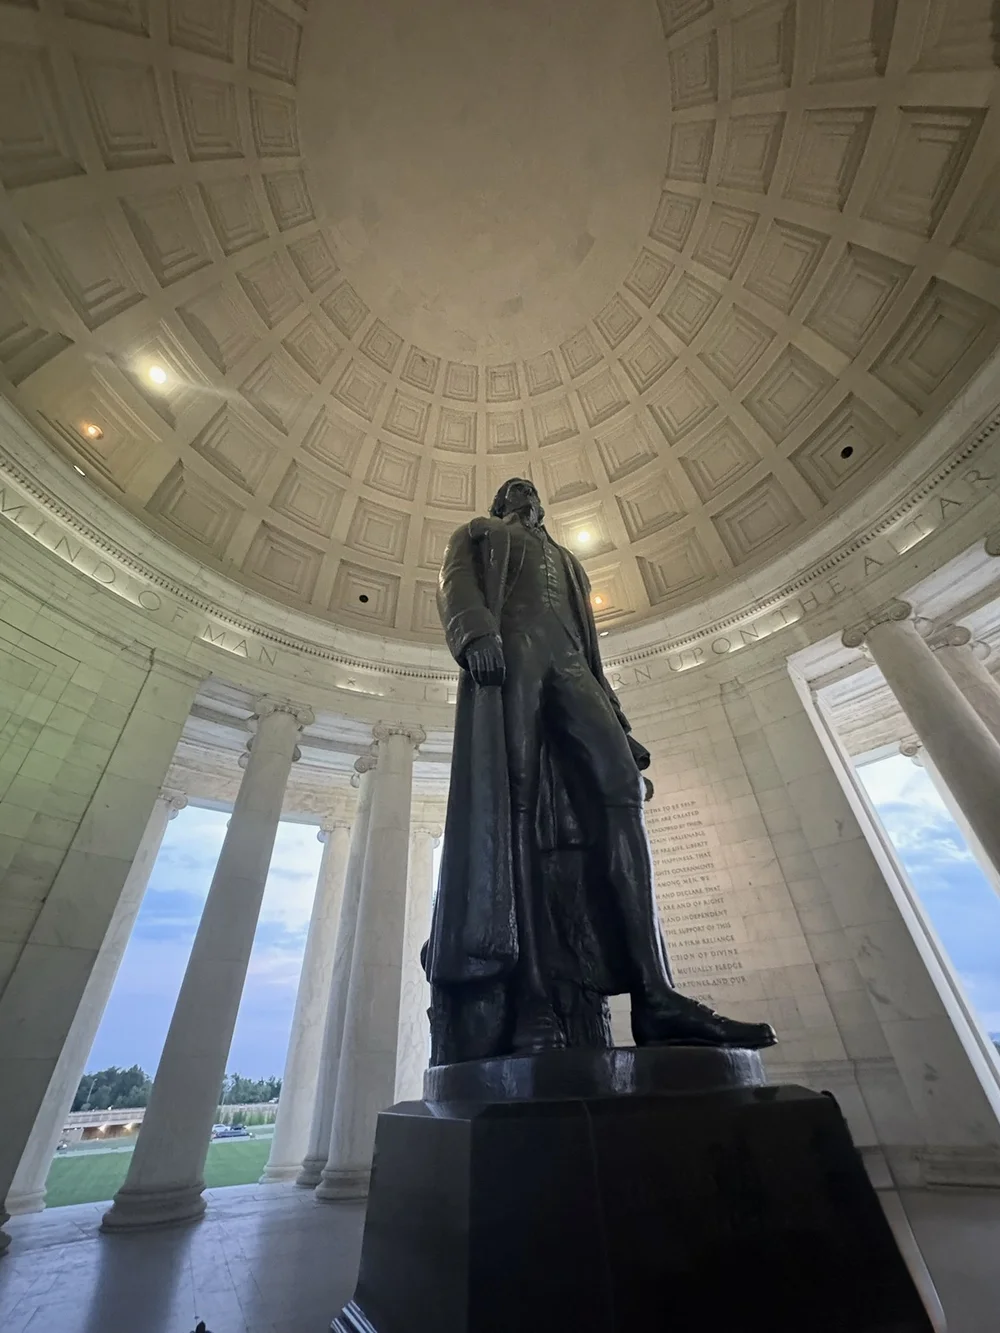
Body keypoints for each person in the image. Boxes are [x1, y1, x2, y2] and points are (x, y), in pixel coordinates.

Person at [423, 477, 776, 1063]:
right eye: (513, 489)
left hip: (570, 666)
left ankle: (655, 995)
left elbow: (589, 648)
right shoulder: (478, 533)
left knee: (622, 790)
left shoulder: (568, 561)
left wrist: (619, 722)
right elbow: (454, 584)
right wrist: (475, 633)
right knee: (516, 808)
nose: (524, 492)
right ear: (499, 505)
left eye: (529, 489)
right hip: (512, 653)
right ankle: (533, 995)